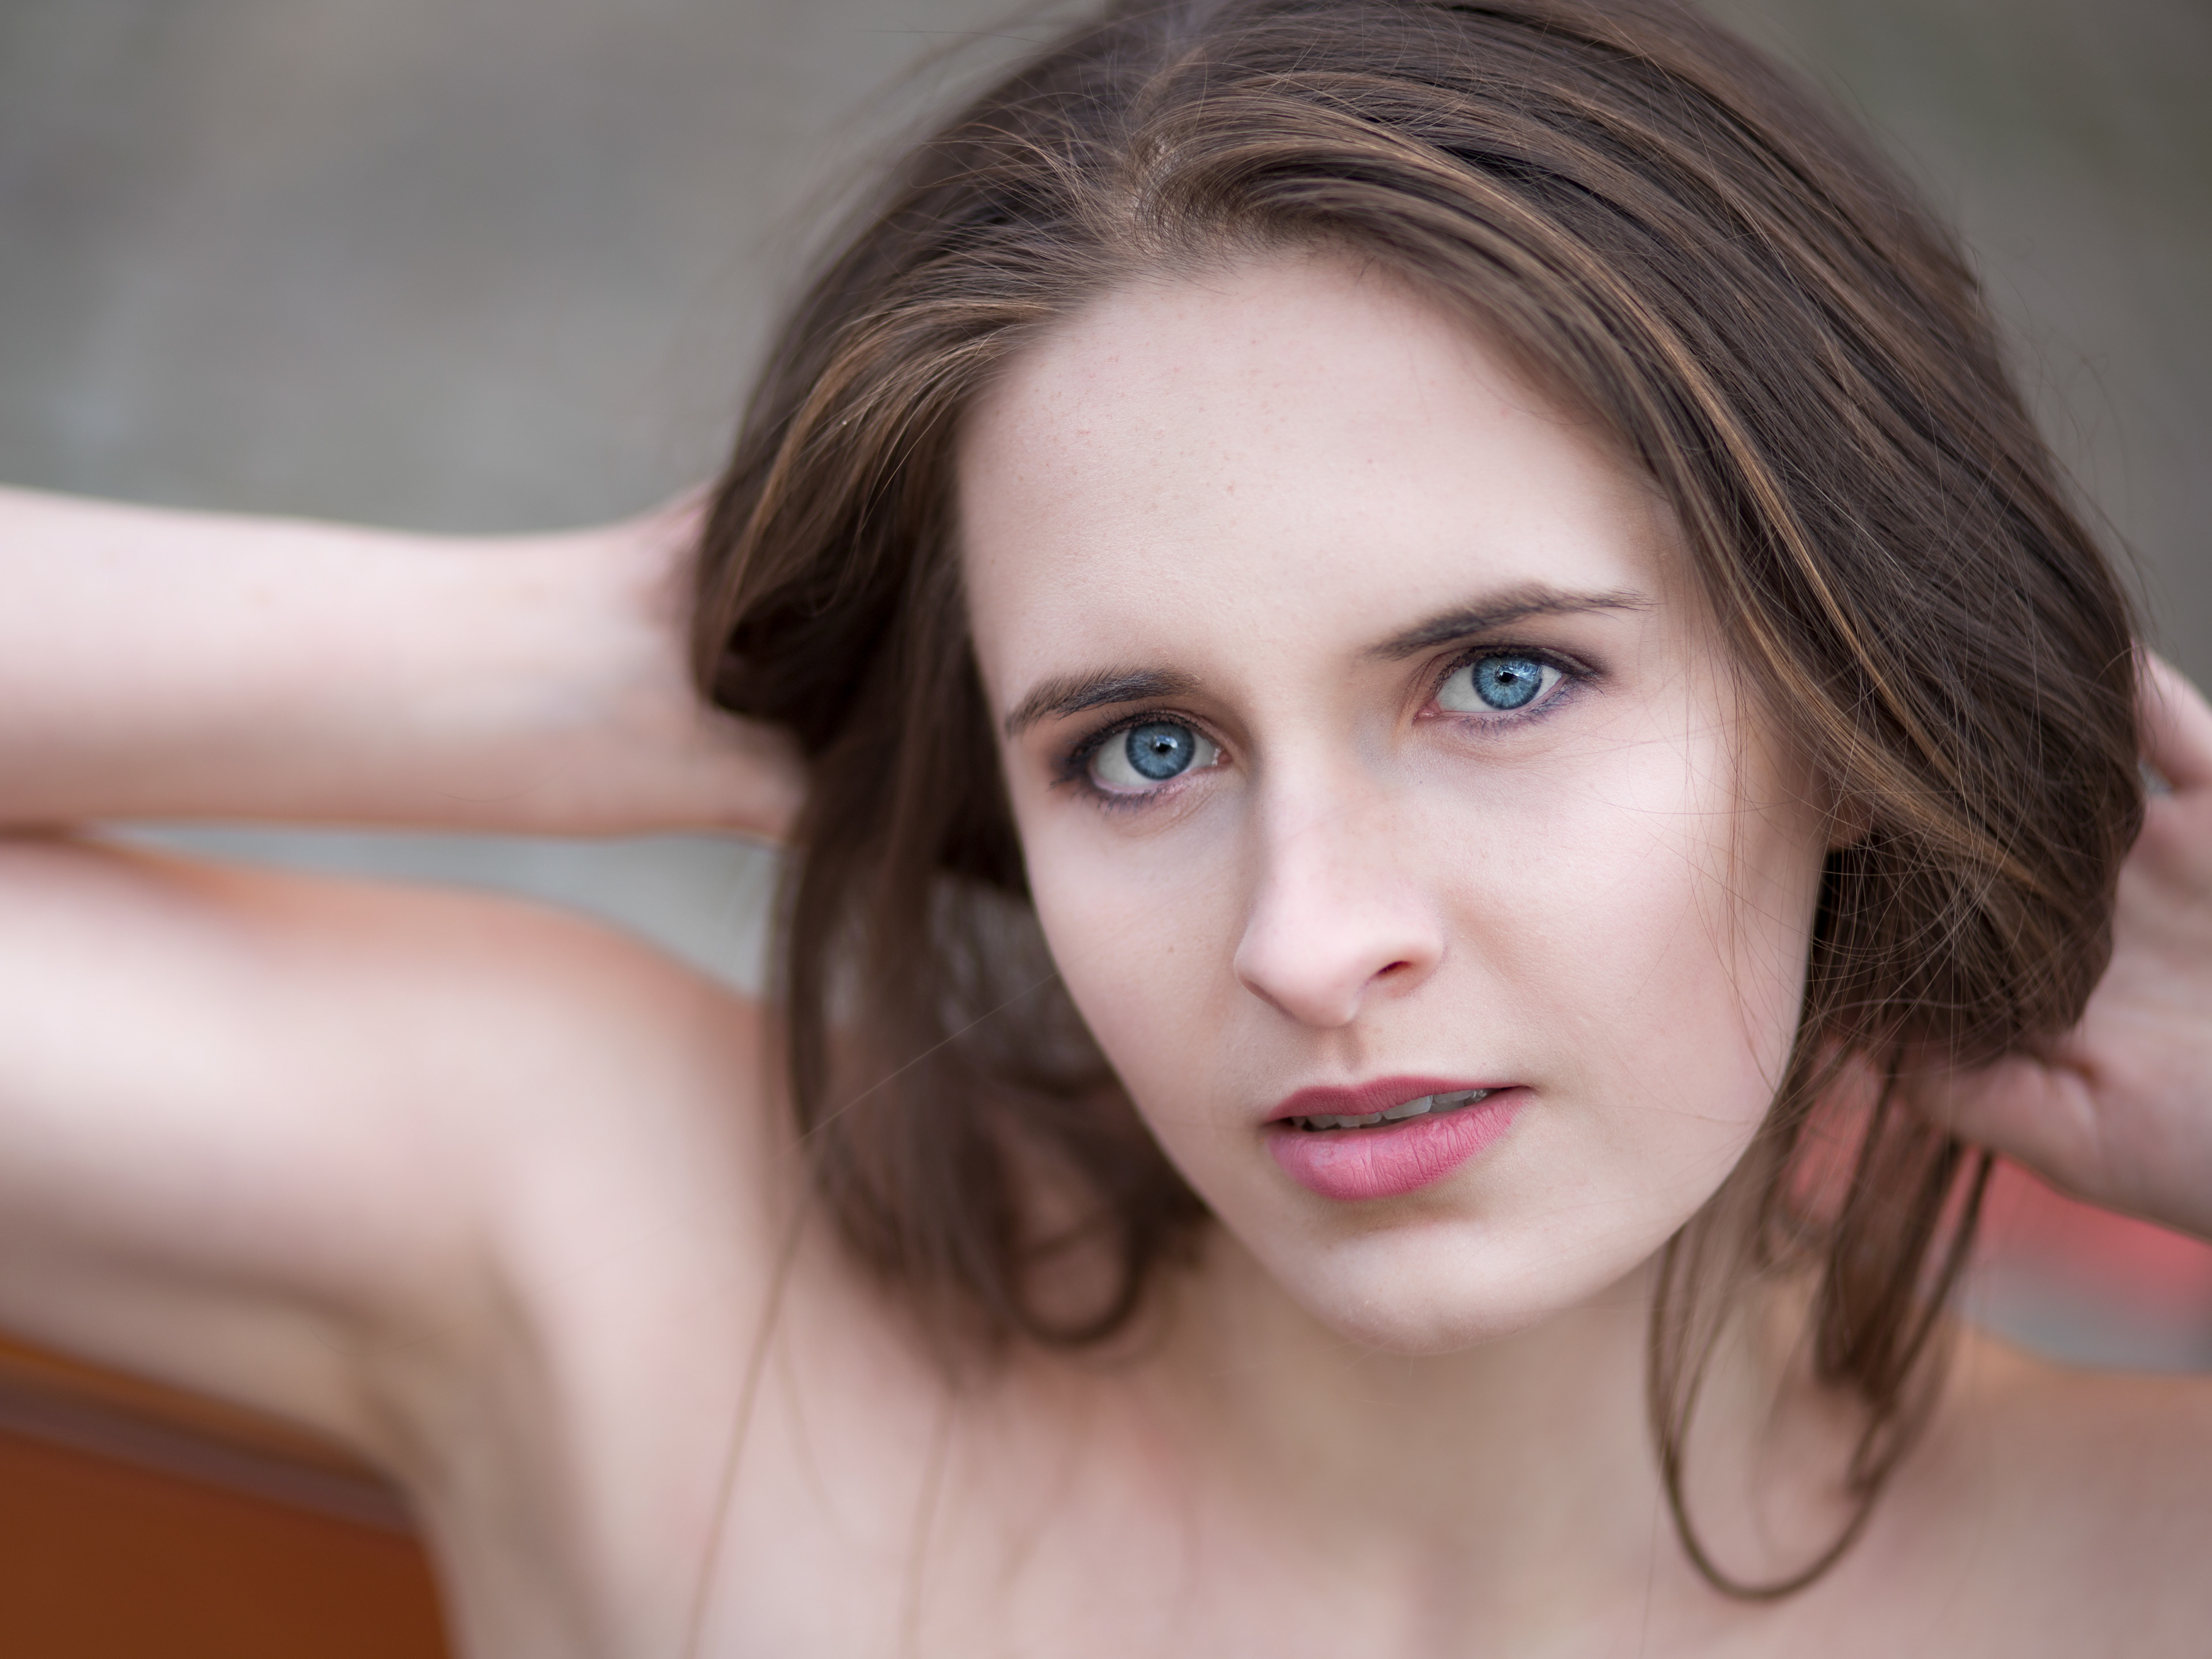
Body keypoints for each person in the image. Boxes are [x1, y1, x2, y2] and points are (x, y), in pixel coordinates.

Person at [2, 0, 2210, 1653]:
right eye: (1143, 747)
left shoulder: (2140, 1563)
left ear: (1853, 709)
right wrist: (604, 668)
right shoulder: (645, 1273)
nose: (1307, 943)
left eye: (1499, 681)